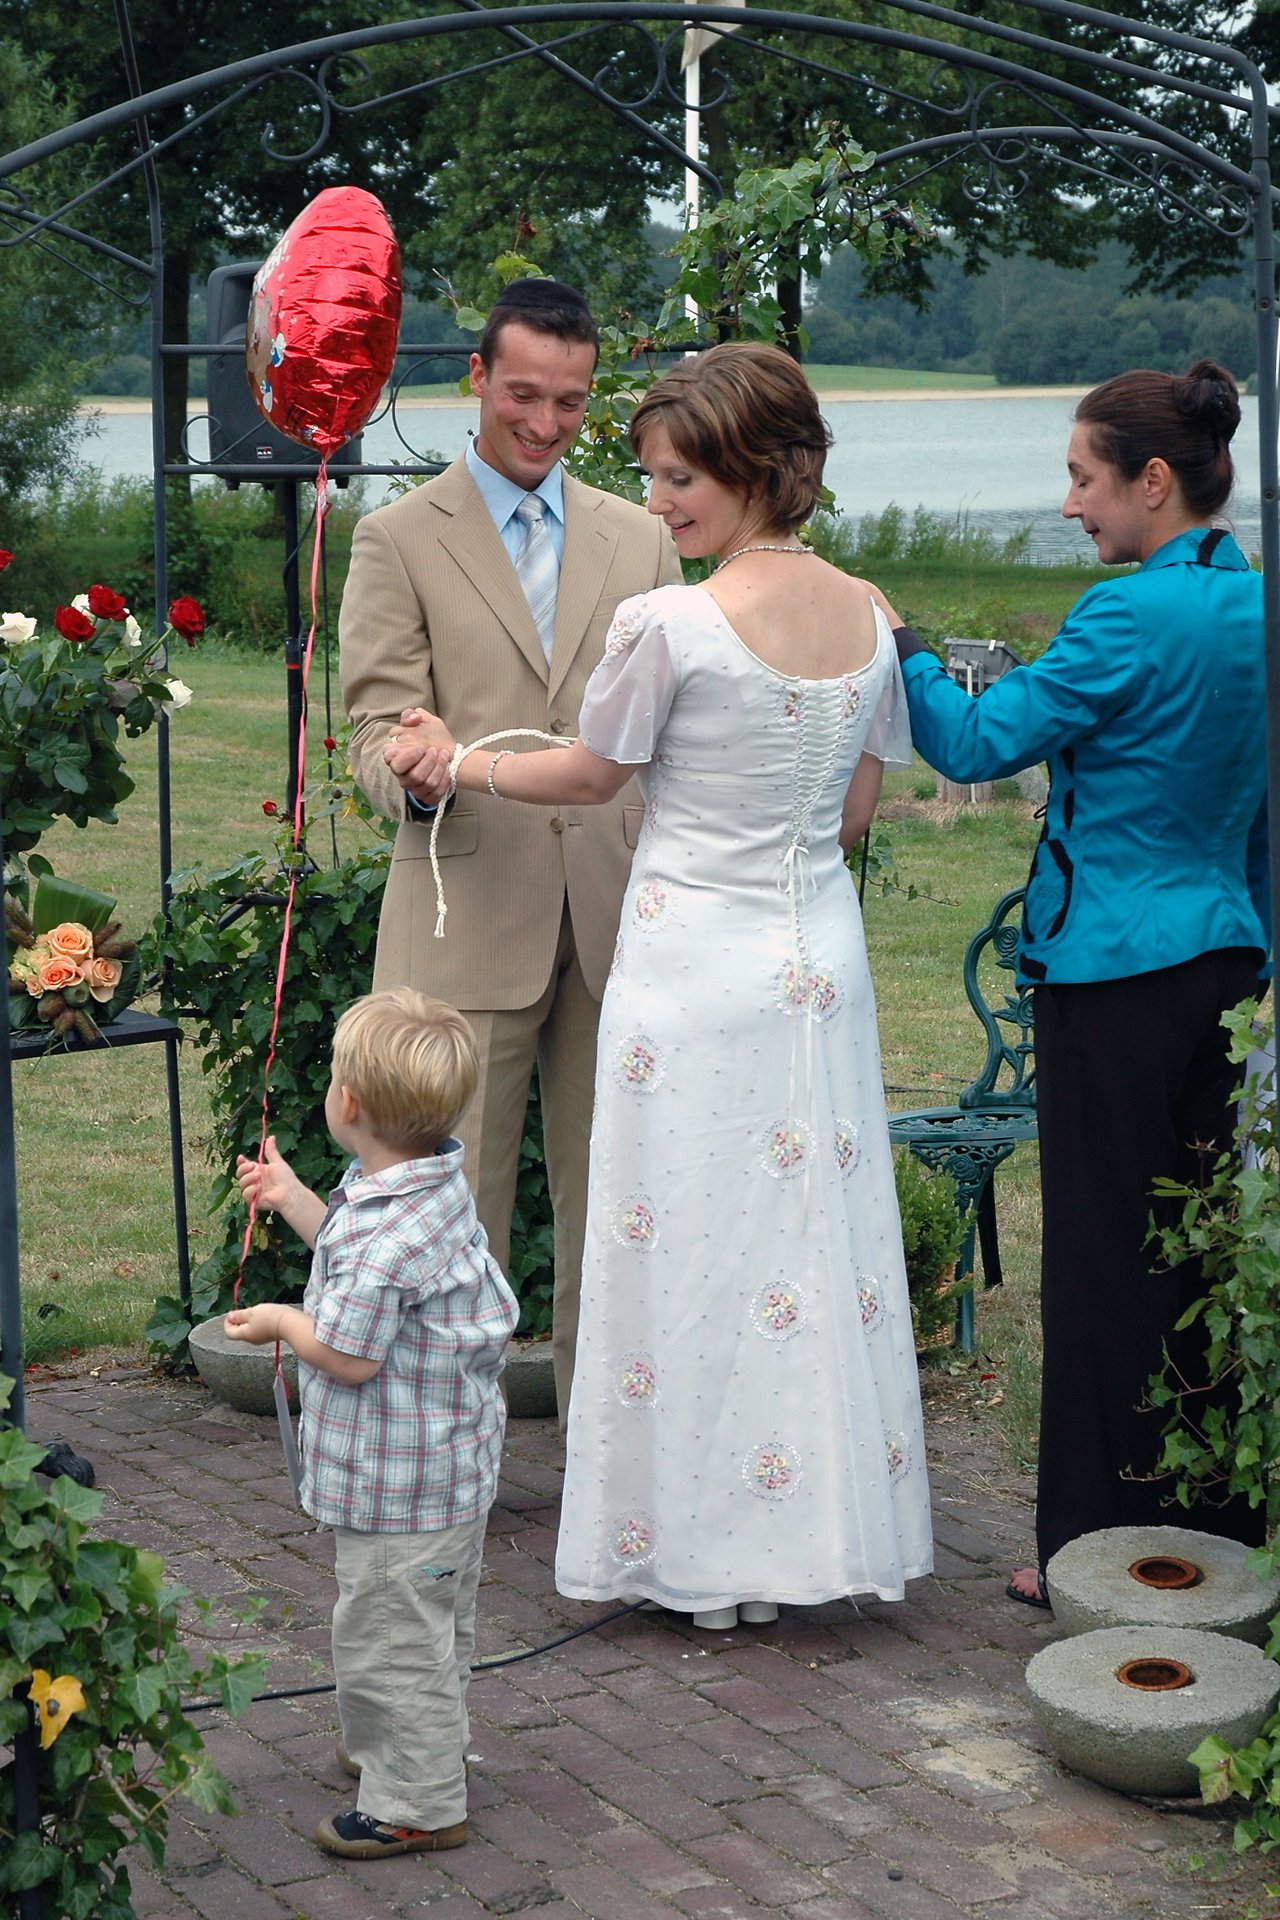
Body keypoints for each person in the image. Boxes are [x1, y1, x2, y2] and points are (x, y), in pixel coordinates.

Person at [392, 341, 934, 1628]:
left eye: (680, 478)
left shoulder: (672, 622)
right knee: (807, 1242)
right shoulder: (869, 612)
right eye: (651, 477)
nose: (662, 505)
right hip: (817, 961)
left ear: (754, 471)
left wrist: (457, 762)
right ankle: (810, 1533)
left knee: (686, 1244)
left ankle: (698, 1549)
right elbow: (858, 803)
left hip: (690, 969)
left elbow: (590, 776)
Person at [883, 359, 1269, 1608]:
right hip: (1222, 963)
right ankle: (1215, 1529)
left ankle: (1087, 1556)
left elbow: (975, 741)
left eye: (1082, 478)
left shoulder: (1123, 618)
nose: (1067, 504)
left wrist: (910, 652)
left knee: (1105, 1265)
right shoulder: (1252, 608)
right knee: (1202, 1250)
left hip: (1108, 975)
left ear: (1153, 481)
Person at [340, 278, 680, 1425]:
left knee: (613, 1212)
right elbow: (372, 731)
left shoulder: (638, 536)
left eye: (571, 405)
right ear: (476, 378)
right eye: (523, 394)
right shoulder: (394, 537)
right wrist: (415, 773)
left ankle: (607, 1468)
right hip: (460, 919)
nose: (543, 423)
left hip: (616, 918)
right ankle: (441, 1452)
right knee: (447, 1211)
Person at [224, 988, 518, 1859]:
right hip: (443, 1478)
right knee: (416, 1629)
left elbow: (349, 1353)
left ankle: (417, 1804)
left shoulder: (392, 1231)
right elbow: (358, 1261)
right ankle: (390, 1746)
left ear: (348, 1104)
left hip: (404, 1490)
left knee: (395, 1637)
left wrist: (280, 1321)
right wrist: (295, 1198)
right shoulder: (417, 1190)